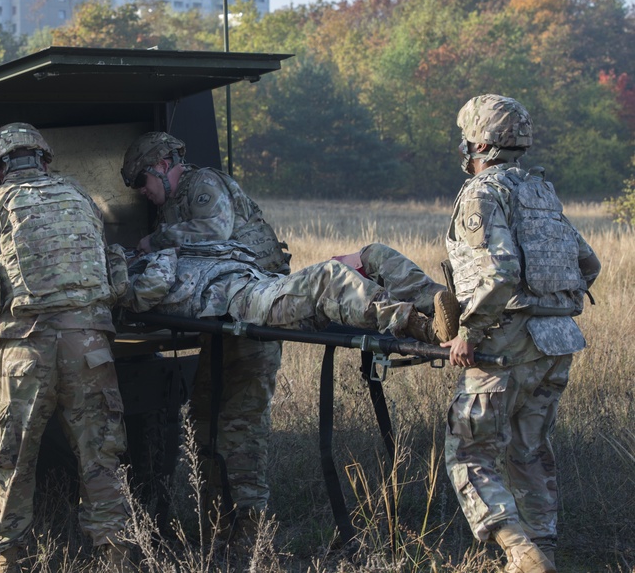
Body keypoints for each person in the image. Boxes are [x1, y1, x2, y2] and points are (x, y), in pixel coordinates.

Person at [439, 95, 600, 573]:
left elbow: (500, 273)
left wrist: (469, 330)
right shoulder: (541, 192)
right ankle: (544, 549)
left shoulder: (482, 192)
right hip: (557, 342)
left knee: (469, 450)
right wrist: (550, 306)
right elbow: (588, 264)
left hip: (505, 341)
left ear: (480, 142)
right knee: (529, 449)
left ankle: (519, 550)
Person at [0, 123, 131, 572]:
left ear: (0, 168)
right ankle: (115, 558)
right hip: (90, 346)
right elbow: (111, 279)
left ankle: (8, 562)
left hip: (25, 353)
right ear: (43, 159)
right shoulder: (81, 199)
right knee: (101, 455)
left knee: (14, 461)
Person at [120, 132, 291, 548]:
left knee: (241, 426)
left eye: (143, 180)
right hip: (222, 321)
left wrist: (152, 243)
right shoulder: (172, 209)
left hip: (254, 315)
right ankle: (220, 528)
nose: (143, 191)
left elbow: (215, 232)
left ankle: (249, 538)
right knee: (204, 417)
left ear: (162, 165)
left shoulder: (203, 185)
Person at [120, 241, 459, 344]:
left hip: (265, 286)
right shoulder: (140, 275)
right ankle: (422, 327)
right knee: (329, 277)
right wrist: (153, 253)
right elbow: (149, 292)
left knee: (373, 254)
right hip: (249, 305)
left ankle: (444, 305)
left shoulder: (176, 252)